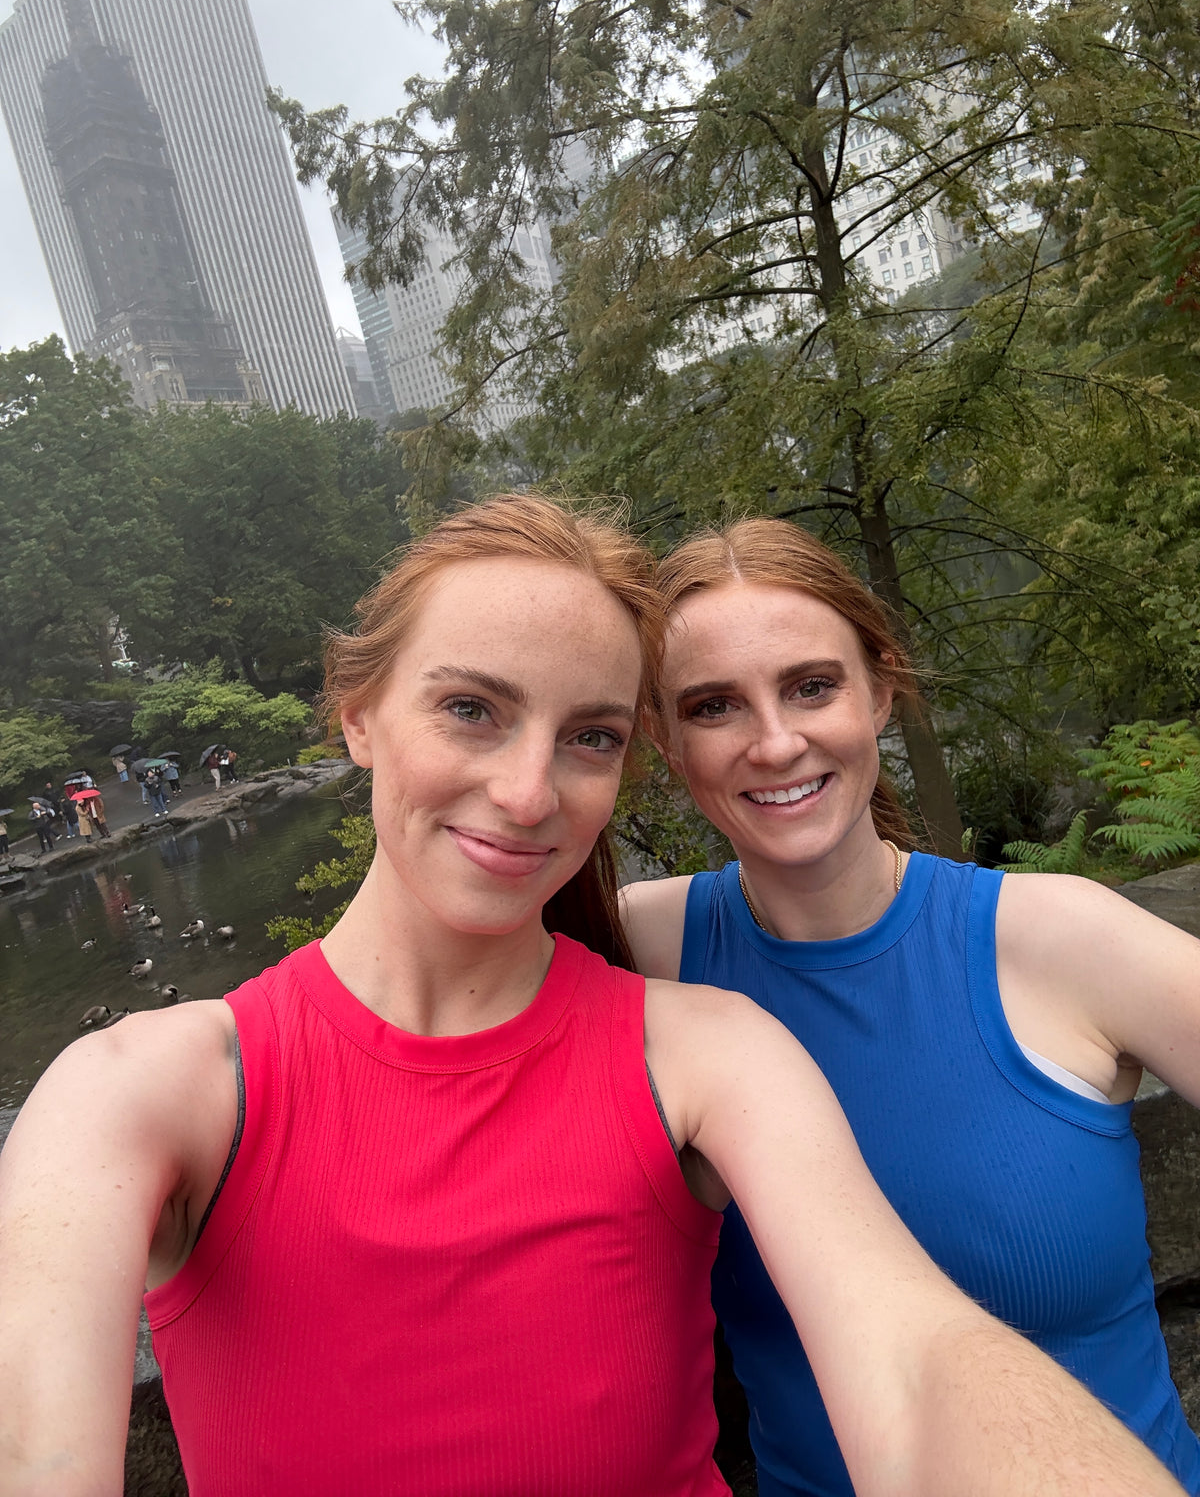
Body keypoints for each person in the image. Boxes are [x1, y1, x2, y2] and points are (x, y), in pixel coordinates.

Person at [0, 497, 1187, 1497]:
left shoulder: (714, 1048)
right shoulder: (139, 1096)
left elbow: (914, 1355)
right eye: (471, 707)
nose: (527, 793)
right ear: (356, 716)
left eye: (589, 735)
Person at [620, 516, 1200, 1497]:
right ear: (666, 742)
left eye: (813, 685)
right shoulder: (642, 956)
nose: (775, 740)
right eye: (715, 705)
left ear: (880, 690)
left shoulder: (1067, 940)